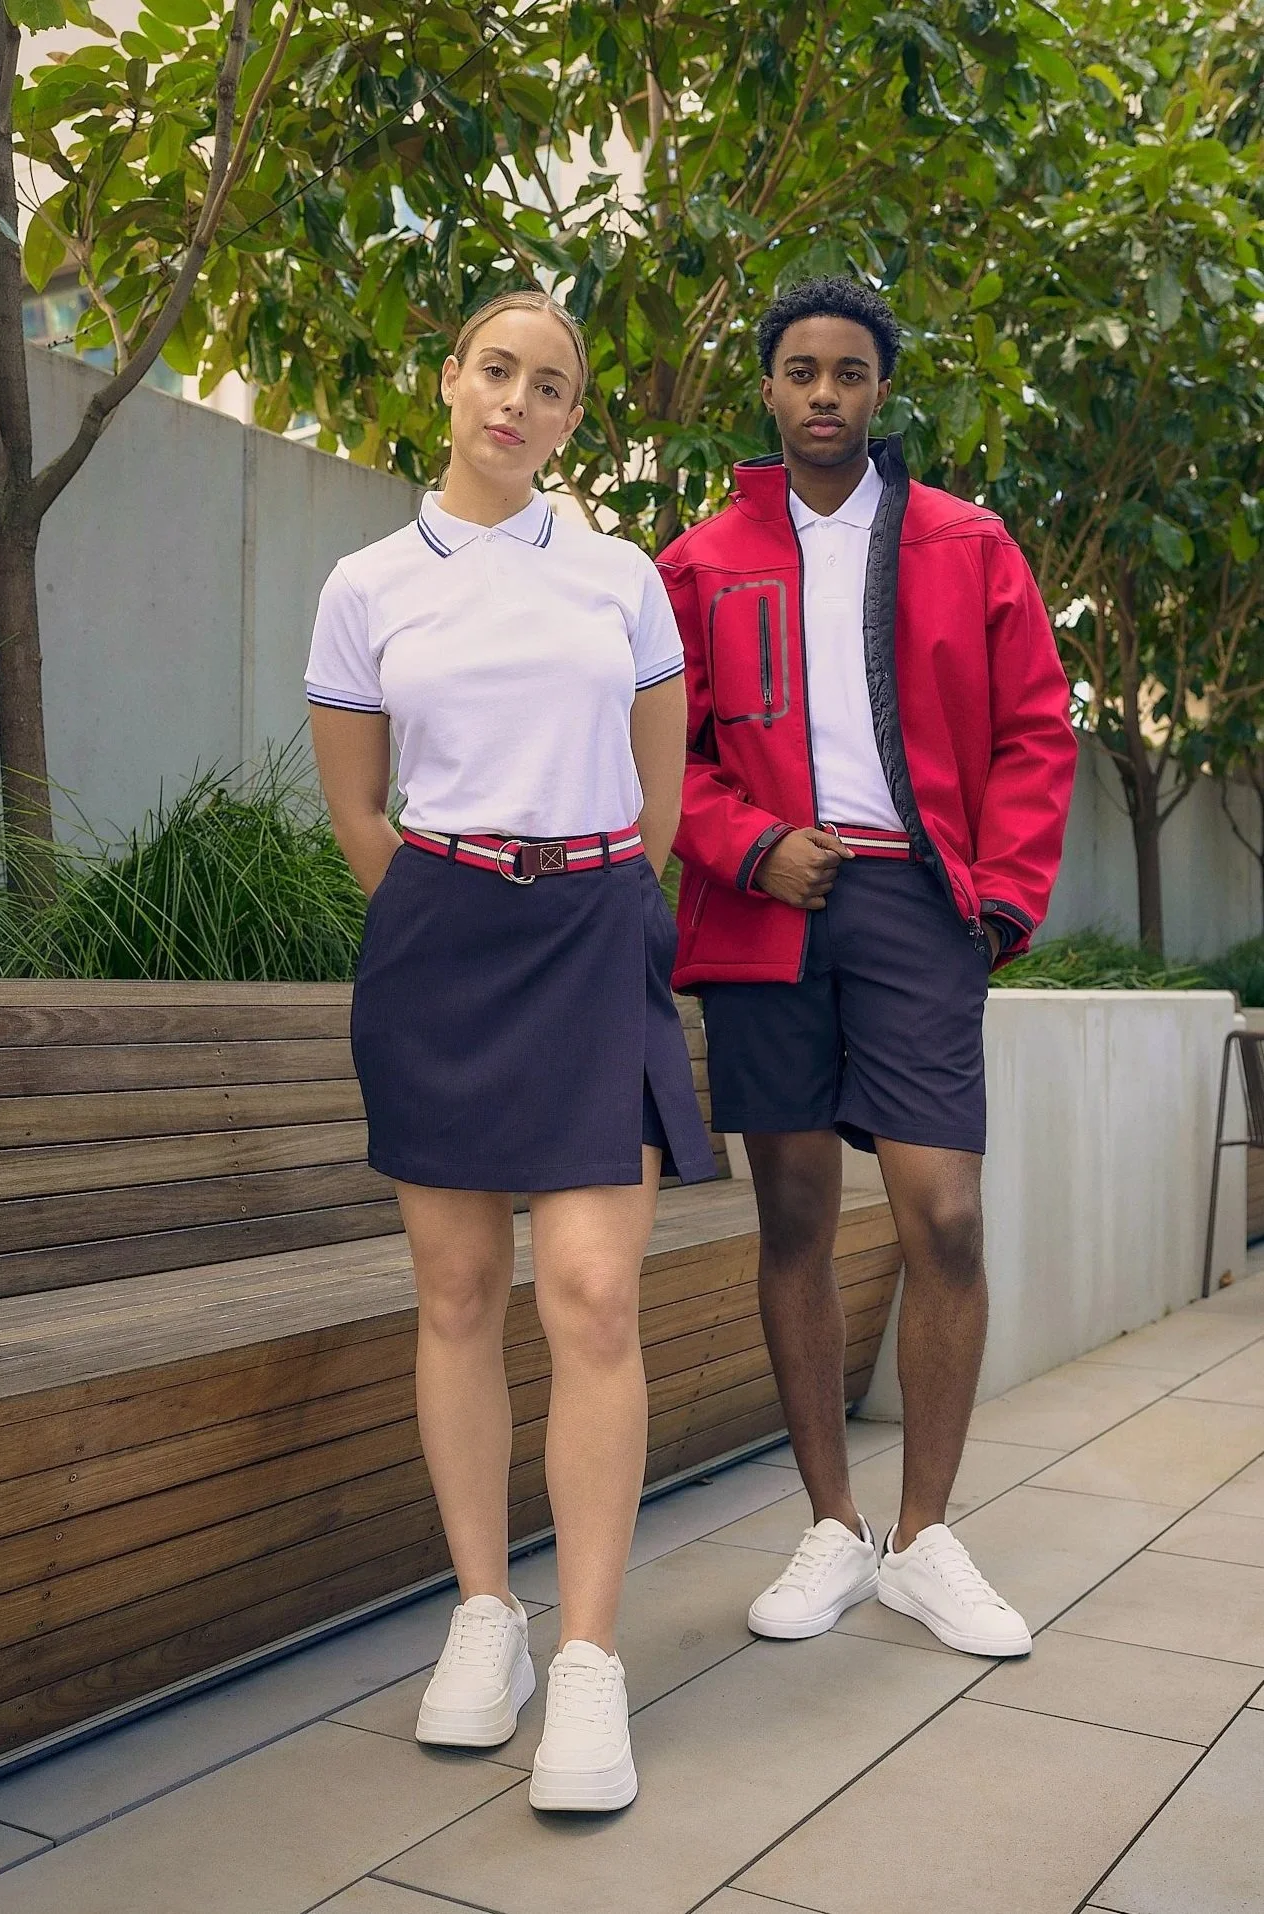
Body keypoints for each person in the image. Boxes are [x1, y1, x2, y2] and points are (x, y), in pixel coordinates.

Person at [306, 289, 715, 1812]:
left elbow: (662, 790)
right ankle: (488, 1614)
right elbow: (360, 812)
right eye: (498, 368)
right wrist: (447, 909)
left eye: (550, 385)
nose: (518, 401)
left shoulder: (618, 577)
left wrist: (597, 894)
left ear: (568, 418)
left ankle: (592, 1659)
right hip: (441, 943)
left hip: (597, 927)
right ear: (450, 379)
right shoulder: (366, 582)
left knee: (595, 1294)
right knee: (461, 1288)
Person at [659, 276, 1076, 1658]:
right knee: (792, 1214)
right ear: (768, 390)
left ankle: (929, 1537)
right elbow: (673, 757)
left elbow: (1035, 731)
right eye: (799, 370)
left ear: (879, 393)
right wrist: (747, 842)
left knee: (940, 1212)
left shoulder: (970, 544)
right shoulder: (701, 559)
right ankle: (834, 1525)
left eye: (848, 371)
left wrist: (998, 900)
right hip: (769, 904)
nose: (823, 392)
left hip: (914, 903)